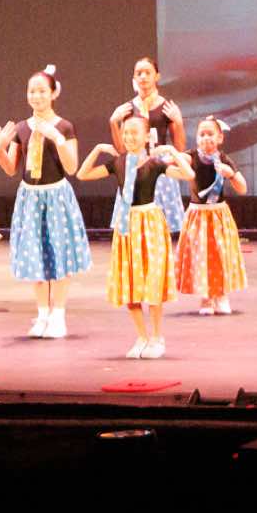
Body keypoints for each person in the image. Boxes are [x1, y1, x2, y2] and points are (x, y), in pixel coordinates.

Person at [76, 114, 192, 359]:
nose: (129, 137)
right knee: (130, 283)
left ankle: (157, 337)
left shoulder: (154, 163)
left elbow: (188, 175)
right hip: (126, 225)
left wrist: (172, 150)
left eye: (134, 132)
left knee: (152, 282)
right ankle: (142, 336)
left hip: (149, 224)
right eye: (125, 132)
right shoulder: (118, 162)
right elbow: (83, 174)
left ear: (146, 135)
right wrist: (97, 150)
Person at [0, 65, 86, 340]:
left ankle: (58, 315)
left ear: (53, 93)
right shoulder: (22, 127)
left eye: (42, 91)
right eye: (32, 91)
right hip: (30, 198)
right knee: (35, 255)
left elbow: (71, 167)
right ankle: (43, 313)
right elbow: (11, 168)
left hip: (56, 196)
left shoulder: (64, 126)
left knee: (59, 255)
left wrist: (56, 137)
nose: (36, 96)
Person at [177, 117, 248, 316]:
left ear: (220, 138)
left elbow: (243, 188)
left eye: (210, 134)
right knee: (201, 257)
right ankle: (206, 298)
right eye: (202, 134)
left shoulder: (223, 159)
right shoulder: (191, 156)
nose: (206, 138)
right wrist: (170, 154)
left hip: (218, 215)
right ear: (196, 137)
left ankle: (221, 295)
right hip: (198, 216)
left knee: (220, 256)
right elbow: (176, 162)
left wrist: (230, 174)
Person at [109, 58, 188, 234]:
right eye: (139, 73)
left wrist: (179, 122)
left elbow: (180, 148)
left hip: (158, 169)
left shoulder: (166, 107)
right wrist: (113, 123)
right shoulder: (128, 109)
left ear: (157, 76)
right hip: (134, 167)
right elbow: (122, 150)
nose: (143, 77)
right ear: (134, 78)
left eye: (147, 72)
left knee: (160, 227)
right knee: (133, 225)